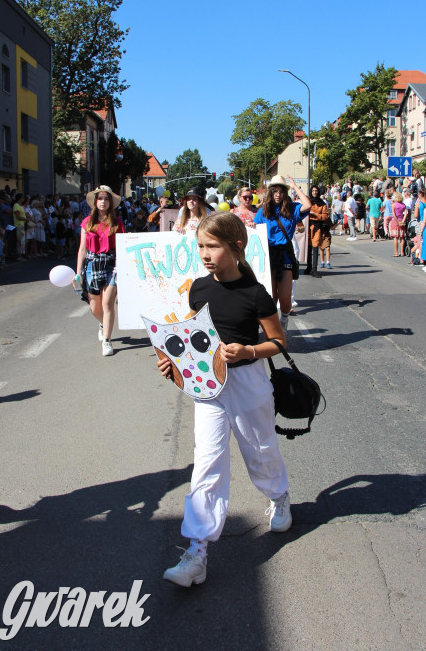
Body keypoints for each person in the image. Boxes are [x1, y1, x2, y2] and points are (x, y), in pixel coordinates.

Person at [158, 212, 291, 587]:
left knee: (260, 449)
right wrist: (174, 364)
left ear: (235, 247)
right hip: (209, 386)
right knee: (207, 462)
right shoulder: (198, 288)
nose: (204, 253)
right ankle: (196, 550)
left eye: (212, 246)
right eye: (200, 246)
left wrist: (248, 351)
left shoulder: (256, 293)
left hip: (248, 381)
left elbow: (279, 342)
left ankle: (278, 496)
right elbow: (189, 338)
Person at [254, 175, 311, 330]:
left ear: (285, 193)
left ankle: (284, 320)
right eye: (275, 191)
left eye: (281, 191)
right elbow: (255, 229)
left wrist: (294, 187)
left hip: (285, 254)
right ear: (270, 193)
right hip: (268, 255)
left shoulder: (292, 209)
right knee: (271, 297)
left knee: (285, 298)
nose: (278, 194)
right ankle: (273, 329)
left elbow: (307, 205)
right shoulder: (264, 211)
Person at [74, 185, 125, 357]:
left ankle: (107, 340)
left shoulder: (117, 223)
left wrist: (123, 268)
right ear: (96, 202)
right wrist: (78, 272)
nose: (103, 201)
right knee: (95, 306)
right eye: (100, 198)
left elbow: (122, 248)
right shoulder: (87, 222)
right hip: (92, 263)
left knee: (108, 303)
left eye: (106, 198)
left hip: (111, 263)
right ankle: (103, 324)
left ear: (110, 202)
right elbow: (82, 248)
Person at [308, 185, 330, 275]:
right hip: (308, 226)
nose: (314, 192)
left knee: (315, 247)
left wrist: (316, 215)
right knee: (308, 248)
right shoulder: (308, 202)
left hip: (317, 227)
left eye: (316, 191)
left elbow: (325, 215)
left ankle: (314, 269)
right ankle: (309, 267)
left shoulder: (322, 203)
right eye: (313, 191)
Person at [389, 192, 408, 257]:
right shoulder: (403, 205)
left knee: (395, 237)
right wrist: (402, 220)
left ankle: (396, 252)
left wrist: (397, 221)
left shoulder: (394, 205)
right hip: (401, 220)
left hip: (395, 221)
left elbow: (394, 214)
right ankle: (402, 252)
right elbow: (406, 213)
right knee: (402, 237)